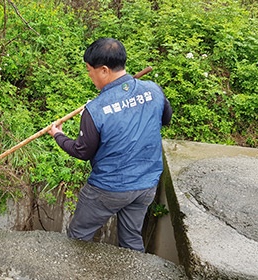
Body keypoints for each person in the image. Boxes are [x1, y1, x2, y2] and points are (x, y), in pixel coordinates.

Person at [48, 38, 172, 252]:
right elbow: (166, 119)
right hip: (145, 185)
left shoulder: (95, 110)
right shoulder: (153, 90)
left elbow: (82, 151)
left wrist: (58, 135)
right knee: (132, 241)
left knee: (77, 238)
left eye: (89, 70)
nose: (89, 76)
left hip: (107, 188)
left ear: (104, 70)